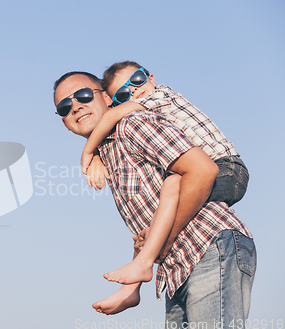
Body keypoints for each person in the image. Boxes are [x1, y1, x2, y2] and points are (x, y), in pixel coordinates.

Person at [53, 71, 256, 329]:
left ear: (107, 98)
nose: (76, 106)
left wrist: (165, 241)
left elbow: (203, 171)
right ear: (63, 121)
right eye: (64, 106)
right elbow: (149, 223)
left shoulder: (133, 125)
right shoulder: (111, 152)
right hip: (176, 268)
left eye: (82, 95)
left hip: (208, 244)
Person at [78, 61, 249, 287]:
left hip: (228, 169)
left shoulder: (159, 97)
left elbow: (111, 116)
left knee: (172, 185)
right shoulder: (142, 113)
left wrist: (87, 152)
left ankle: (146, 261)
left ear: (151, 78)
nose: (134, 91)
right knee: (153, 222)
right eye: (123, 93)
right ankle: (132, 286)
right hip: (221, 173)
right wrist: (99, 156)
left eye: (136, 80)